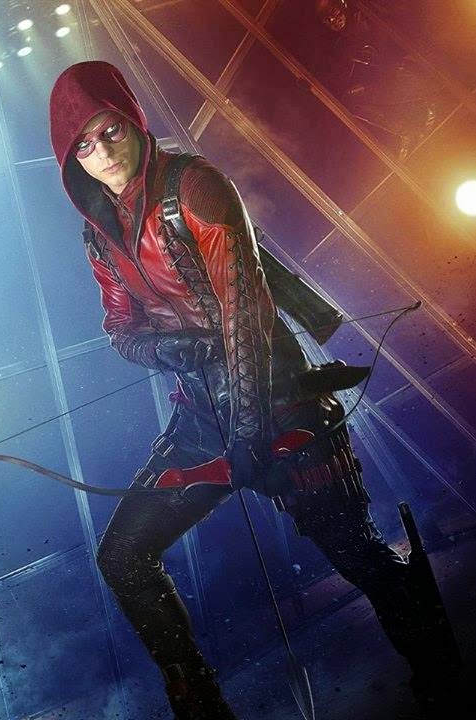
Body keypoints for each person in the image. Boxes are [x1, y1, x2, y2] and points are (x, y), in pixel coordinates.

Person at [49, 61, 461, 719]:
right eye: (85, 145)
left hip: (280, 404)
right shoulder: (98, 232)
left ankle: (444, 680)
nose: (103, 151)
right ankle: (200, 707)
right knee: (123, 557)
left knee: (358, 555)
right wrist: (165, 349)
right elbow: (120, 331)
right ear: (72, 159)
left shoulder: (196, 187)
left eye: (111, 130)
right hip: (200, 420)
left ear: (132, 122)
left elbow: (247, 315)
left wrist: (247, 434)